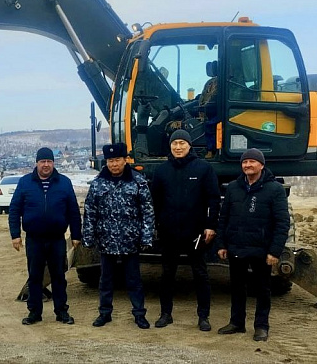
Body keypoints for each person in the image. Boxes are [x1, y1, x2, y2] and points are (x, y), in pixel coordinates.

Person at [216, 148, 290, 342]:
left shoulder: (275, 189)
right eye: (244, 162)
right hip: (237, 247)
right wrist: (222, 244)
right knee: (237, 287)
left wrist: (275, 251)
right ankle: (236, 322)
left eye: (252, 162)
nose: (247, 165)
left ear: (262, 165)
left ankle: (261, 326)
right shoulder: (233, 187)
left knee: (262, 290)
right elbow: (223, 218)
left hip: (262, 250)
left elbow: (282, 223)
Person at [150, 129, 220, 331]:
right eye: (174, 143)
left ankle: (203, 316)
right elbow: (155, 202)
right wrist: (156, 225)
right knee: (167, 274)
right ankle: (165, 314)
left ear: (189, 145)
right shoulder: (161, 171)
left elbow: (213, 199)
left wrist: (210, 225)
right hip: (169, 232)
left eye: (182, 143)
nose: (178, 147)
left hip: (195, 233)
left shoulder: (203, 168)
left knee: (200, 273)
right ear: (170, 146)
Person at [82, 143, 155, 329]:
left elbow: (147, 211)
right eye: (110, 161)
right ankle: (104, 313)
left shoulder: (138, 182)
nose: (114, 164)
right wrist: (88, 237)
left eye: (117, 160)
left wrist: (146, 237)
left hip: (130, 240)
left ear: (125, 160)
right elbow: (90, 212)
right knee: (106, 280)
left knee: (134, 281)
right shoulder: (98, 183)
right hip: (106, 240)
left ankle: (139, 314)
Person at [9, 147, 82, 326]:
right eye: (43, 161)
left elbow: (73, 211)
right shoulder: (25, 182)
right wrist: (15, 235)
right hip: (34, 239)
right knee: (35, 277)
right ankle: (34, 313)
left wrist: (76, 235)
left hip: (57, 239)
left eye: (49, 161)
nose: (46, 165)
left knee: (58, 277)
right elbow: (15, 209)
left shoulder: (64, 182)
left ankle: (62, 312)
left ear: (53, 163)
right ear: (37, 163)